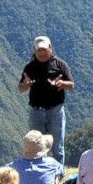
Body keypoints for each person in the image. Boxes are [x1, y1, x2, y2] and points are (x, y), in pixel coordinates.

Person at [19, 35, 74, 165]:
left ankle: (58, 174)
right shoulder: (30, 67)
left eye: (44, 50)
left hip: (56, 110)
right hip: (36, 112)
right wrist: (26, 84)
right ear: (34, 51)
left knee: (57, 147)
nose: (42, 53)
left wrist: (61, 83)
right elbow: (21, 88)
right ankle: (38, 172)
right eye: (39, 50)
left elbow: (71, 85)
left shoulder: (60, 65)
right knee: (35, 145)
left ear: (50, 48)